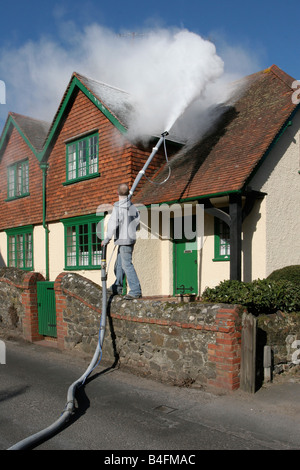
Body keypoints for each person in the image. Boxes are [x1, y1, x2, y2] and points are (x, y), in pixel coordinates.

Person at [101, 183, 142, 300]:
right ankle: (117, 287)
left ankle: (135, 290)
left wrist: (106, 239)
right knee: (119, 264)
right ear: (129, 193)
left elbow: (112, 224)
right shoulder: (133, 206)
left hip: (124, 240)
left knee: (126, 264)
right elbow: (137, 221)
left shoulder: (118, 207)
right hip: (129, 239)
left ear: (117, 192)